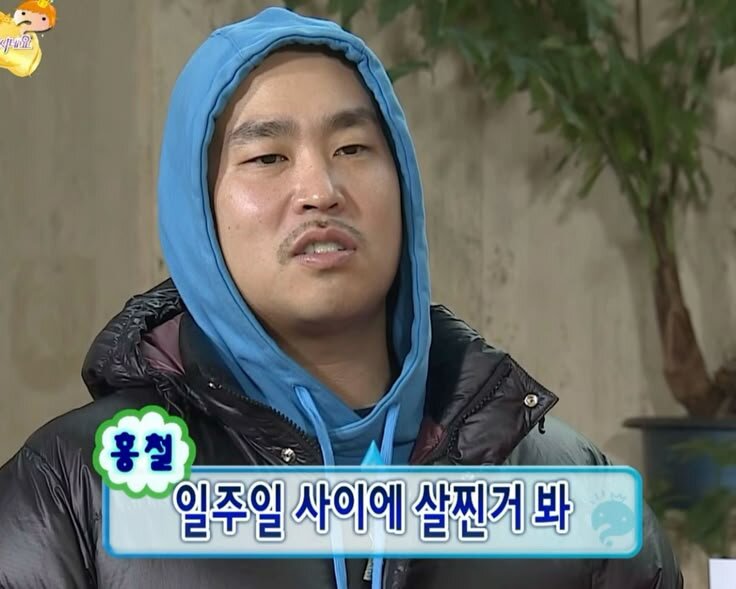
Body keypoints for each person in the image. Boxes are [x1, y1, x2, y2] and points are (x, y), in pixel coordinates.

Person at [0, 6, 683, 589]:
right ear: (197, 213)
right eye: (268, 158)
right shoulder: (73, 489)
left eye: (353, 148)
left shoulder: (577, 497)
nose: (320, 191)